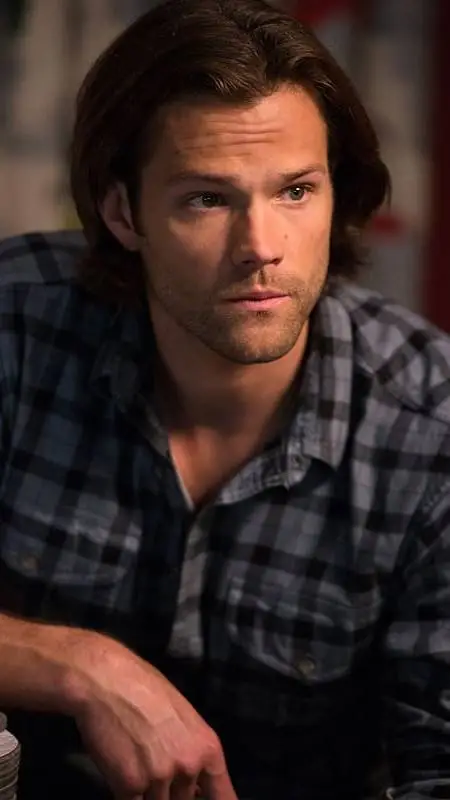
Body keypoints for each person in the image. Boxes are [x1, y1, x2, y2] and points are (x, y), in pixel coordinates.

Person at [0, 0, 449, 798]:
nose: (261, 248)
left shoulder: (430, 427)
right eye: (207, 199)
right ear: (123, 212)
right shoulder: (15, 326)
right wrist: (79, 666)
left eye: (296, 191)